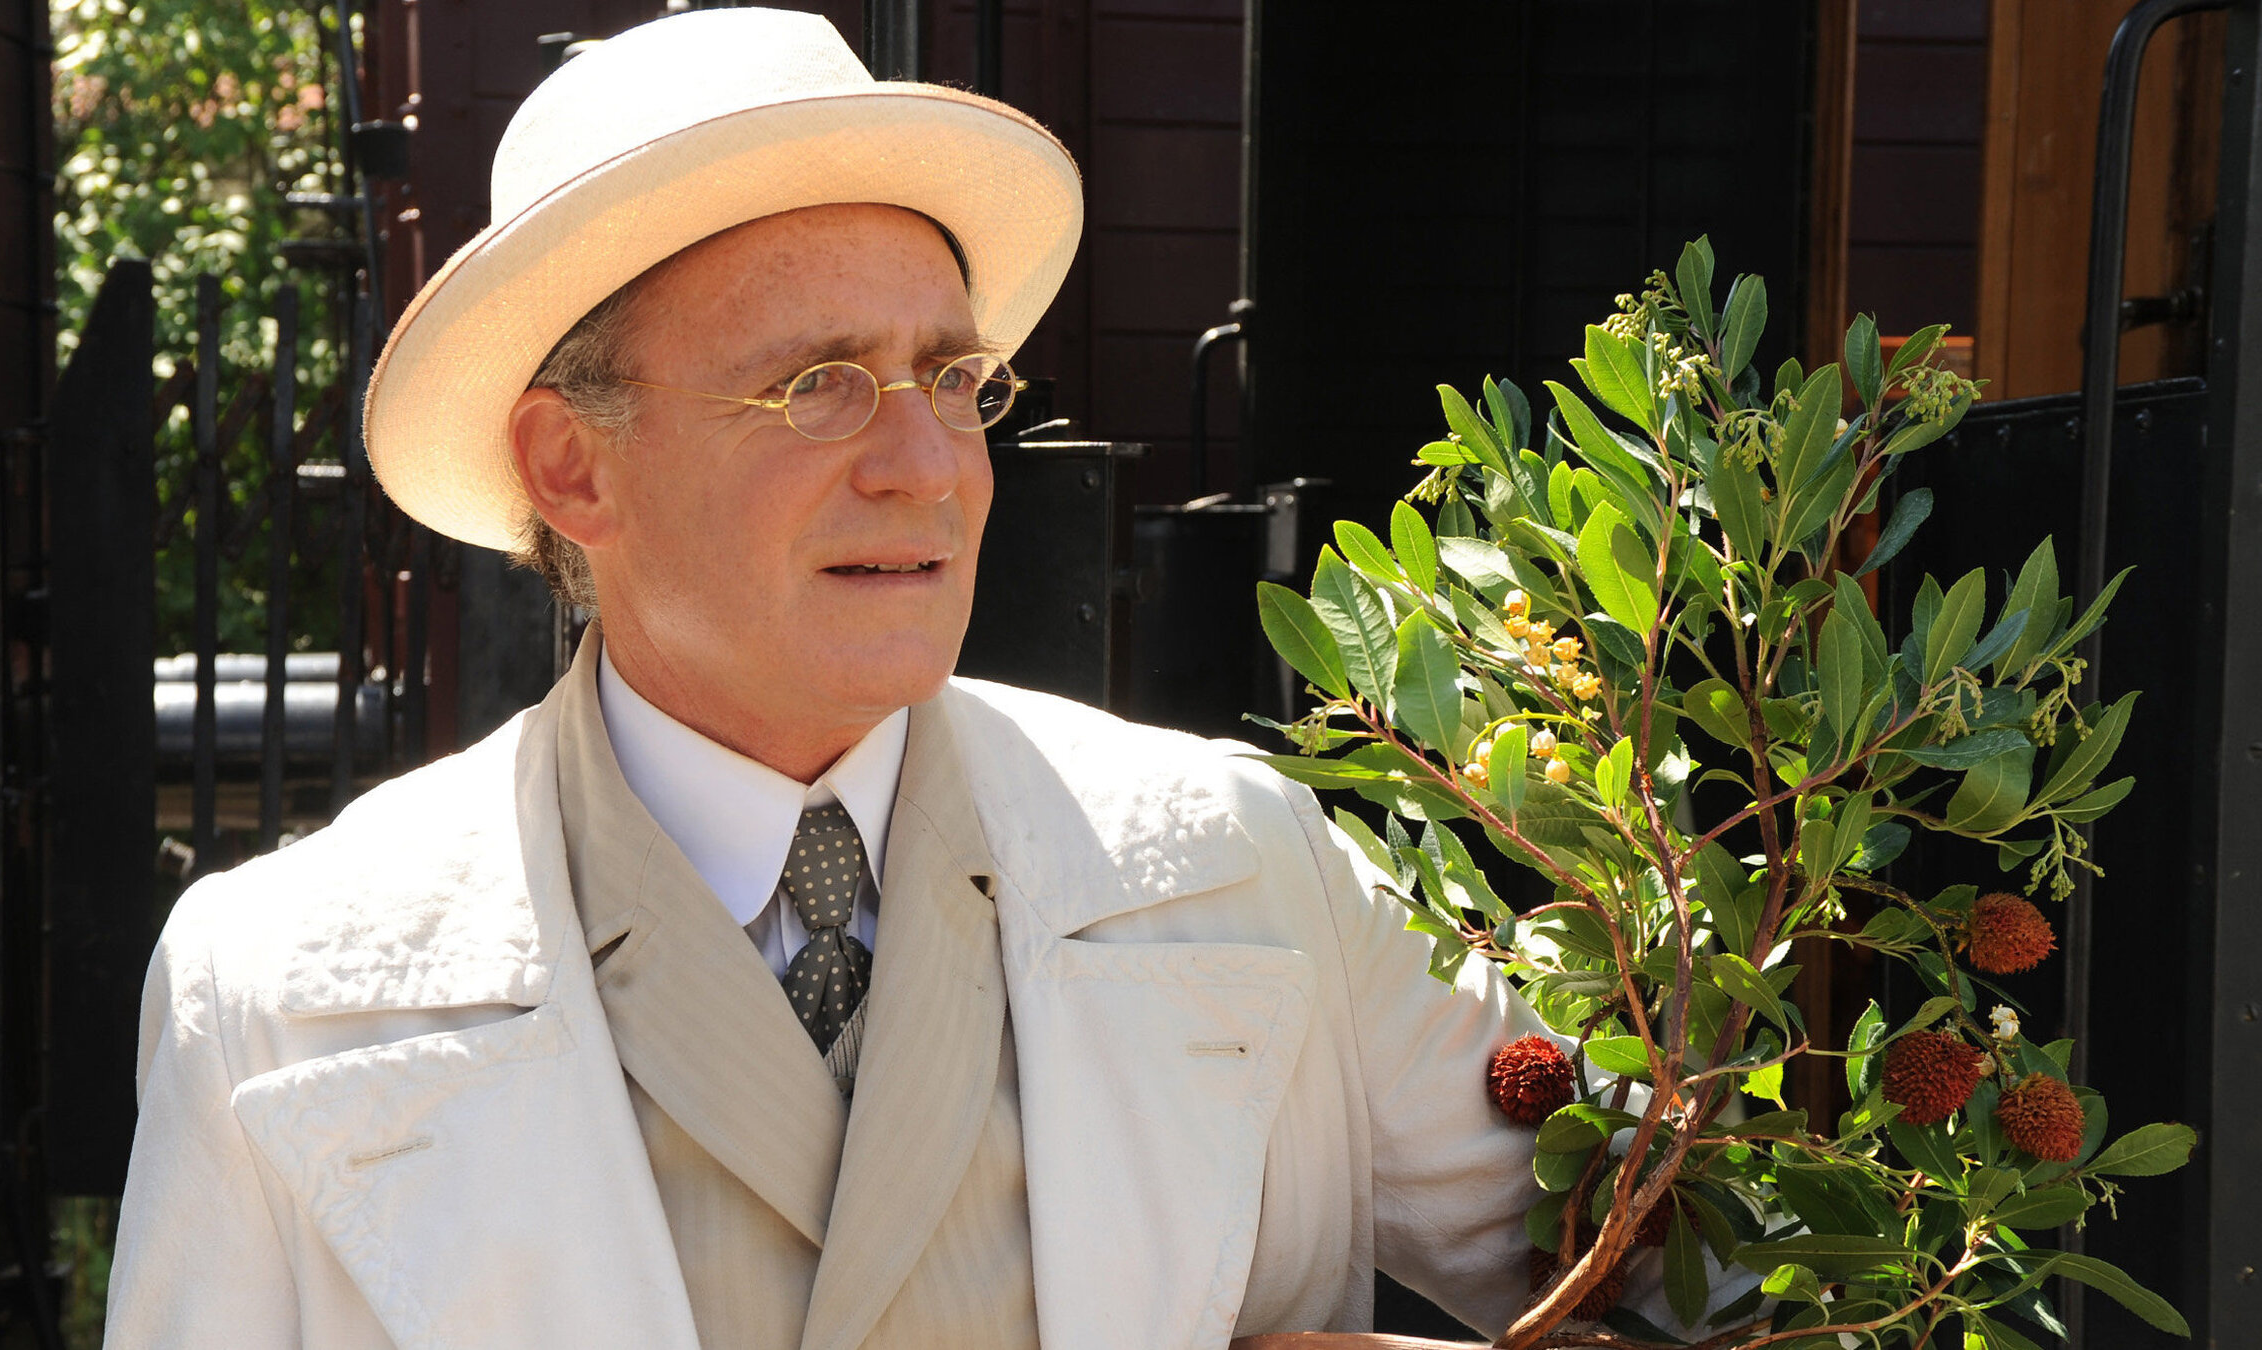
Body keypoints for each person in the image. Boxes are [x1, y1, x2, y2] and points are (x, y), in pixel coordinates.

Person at [105, 10, 1696, 1347]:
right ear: (570, 462)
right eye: (817, 385)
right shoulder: (272, 997)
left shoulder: (1240, 864)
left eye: (953, 375)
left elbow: (1710, 1271)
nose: (928, 464)